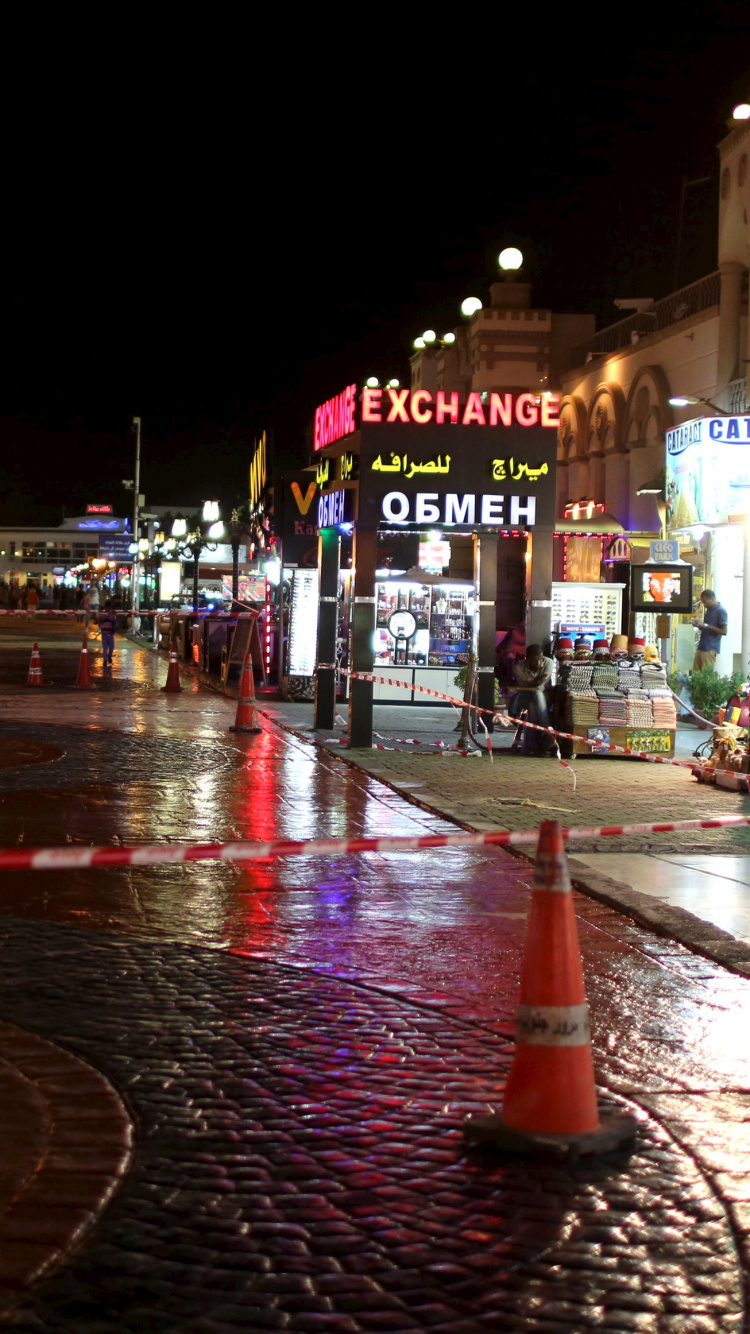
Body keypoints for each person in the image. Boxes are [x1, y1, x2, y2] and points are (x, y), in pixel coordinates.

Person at [512, 644, 555, 755]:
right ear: (527, 659)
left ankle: (535, 746)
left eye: (540, 659)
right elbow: (528, 689)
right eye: (535, 660)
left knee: (534, 703)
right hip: (525, 697)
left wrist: (533, 684)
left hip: (545, 698)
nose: (538, 663)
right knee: (535, 696)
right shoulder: (518, 668)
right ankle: (546, 732)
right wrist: (537, 682)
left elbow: (540, 685)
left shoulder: (548, 662)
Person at [692, 589, 727, 671]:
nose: (704, 605)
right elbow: (706, 627)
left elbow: (724, 631)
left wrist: (705, 625)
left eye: (705, 602)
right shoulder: (709, 610)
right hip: (702, 646)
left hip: (710, 647)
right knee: (696, 671)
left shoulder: (721, 611)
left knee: (706, 673)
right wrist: (698, 625)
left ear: (712, 599)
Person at [98, 599, 117, 668]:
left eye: (109, 608)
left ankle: (109, 656)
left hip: (110, 633)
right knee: (105, 647)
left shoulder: (112, 614)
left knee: (111, 647)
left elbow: (115, 622)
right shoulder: (102, 614)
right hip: (105, 633)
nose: (107, 609)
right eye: (107, 607)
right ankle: (105, 660)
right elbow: (99, 621)